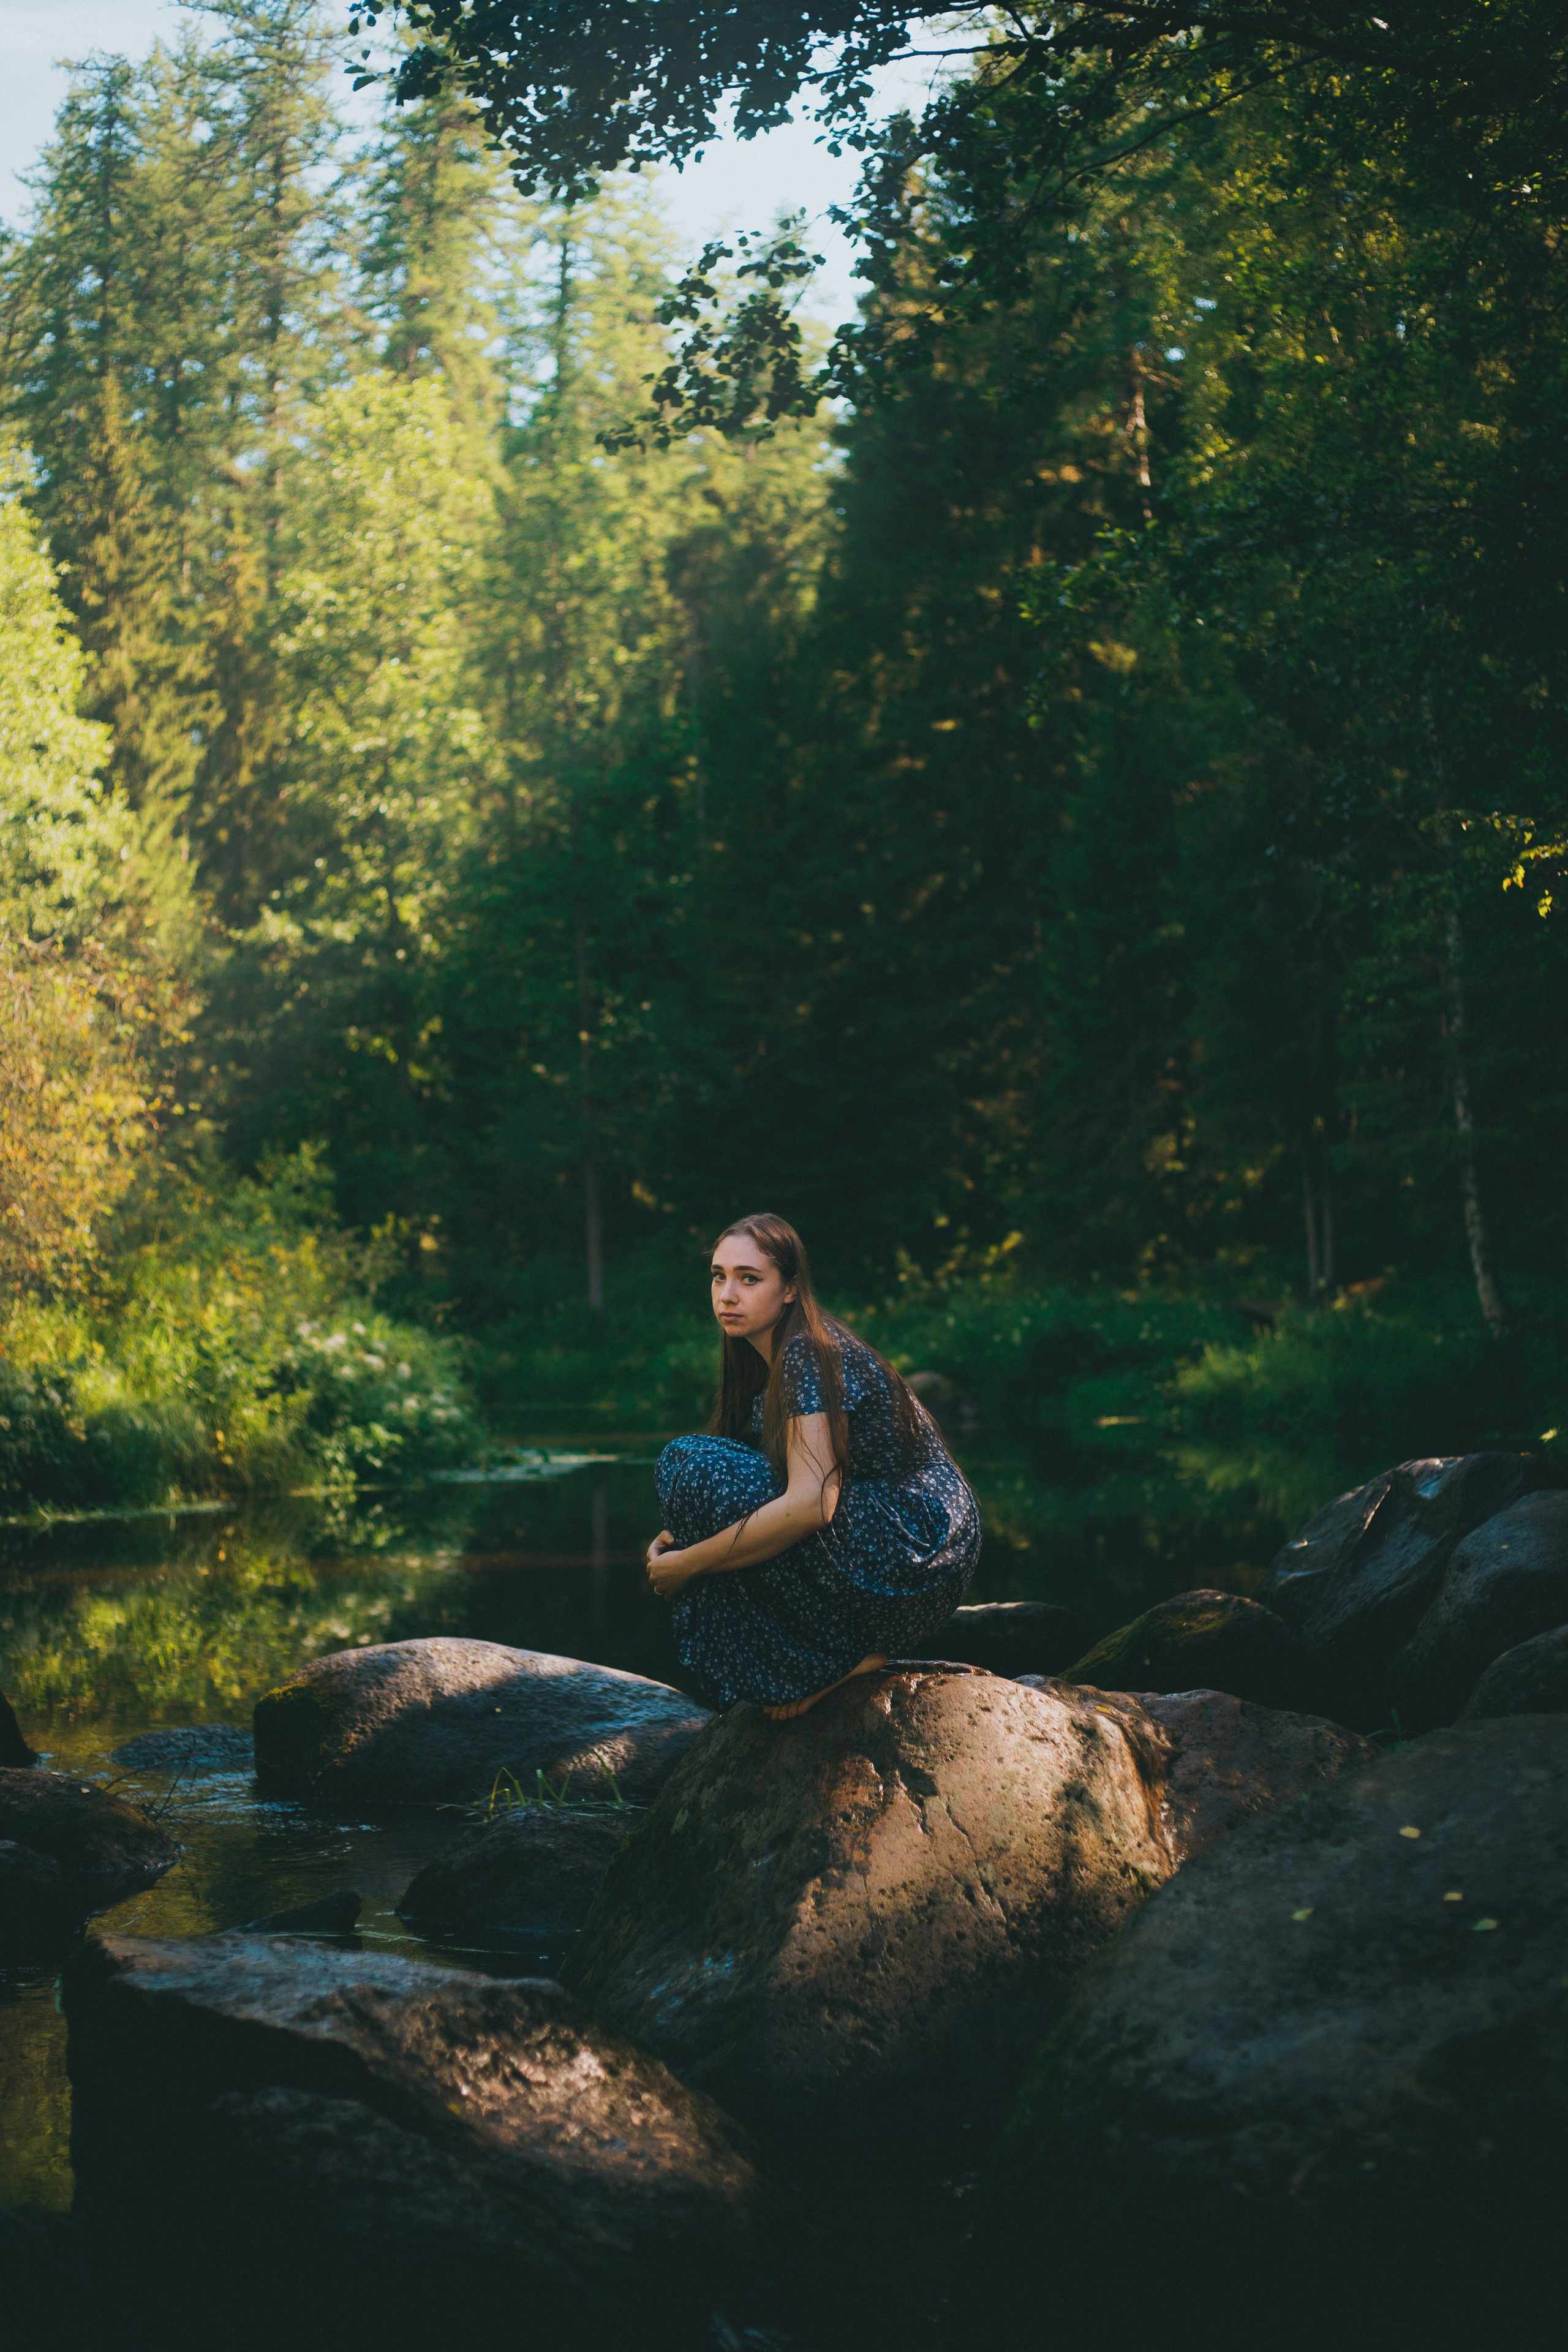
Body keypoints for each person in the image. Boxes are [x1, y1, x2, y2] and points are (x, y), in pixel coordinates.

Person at [646, 1212, 982, 1719]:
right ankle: (829, 1656)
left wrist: (689, 1564)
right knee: (692, 1466)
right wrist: (676, 1543)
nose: (727, 1294)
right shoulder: (761, 1359)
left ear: (789, 1289)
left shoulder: (809, 1350)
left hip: (915, 1546)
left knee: (691, 1465)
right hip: (897, 1547)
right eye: (718, 1276)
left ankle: (830, 1663)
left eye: (749, 1279)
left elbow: (812, 1504)